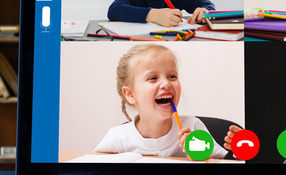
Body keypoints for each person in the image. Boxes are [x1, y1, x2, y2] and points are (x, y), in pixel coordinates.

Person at [94, 44, 227, 158]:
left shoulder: (193, 127)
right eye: (152, 78)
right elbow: (92, 174)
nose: (166, 83)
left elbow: (224, 168)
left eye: (172, 76)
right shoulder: (117, 138)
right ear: (130, 94)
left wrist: (203, 156)